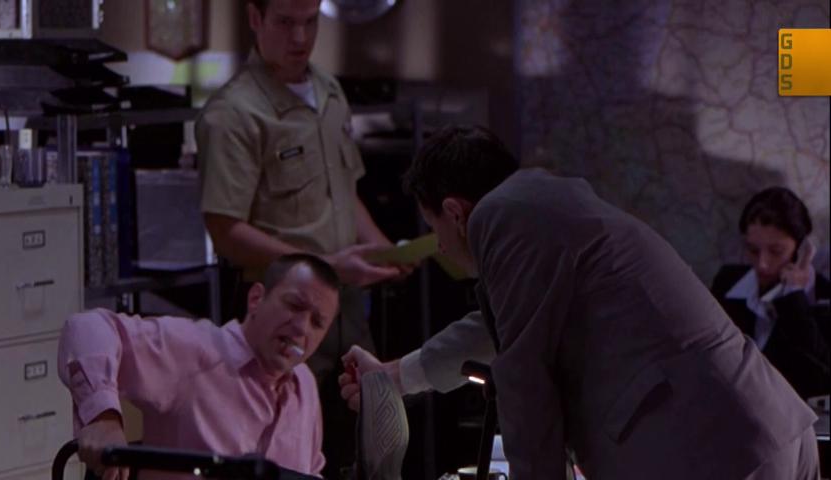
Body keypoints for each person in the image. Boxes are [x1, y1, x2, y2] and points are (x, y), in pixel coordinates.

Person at [339, 125, 821, 480]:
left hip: (714, 451)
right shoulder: (540, 206)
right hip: (761, 432)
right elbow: (493, 329)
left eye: (435, 229)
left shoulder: (499, 217)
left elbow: (525, 381)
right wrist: (395, 376)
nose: (441, 246)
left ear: (455, 212)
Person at [195, 0, 410, 475]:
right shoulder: (233, 112)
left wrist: (384, 249)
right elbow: (225, 231)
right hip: (281, 311)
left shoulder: (328, 91)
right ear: (255, 18)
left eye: (310, 22)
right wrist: (327, 265)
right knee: (281, 454)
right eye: (285, 23)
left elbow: (344, 193)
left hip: (345, 307)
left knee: (362, 448)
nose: (300, 38)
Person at [58, 254, 340, 480]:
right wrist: (103, 417)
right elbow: (87, 326)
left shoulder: (304, 383)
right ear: (256, 299)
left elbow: (310, 471)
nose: (302, 328)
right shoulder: (197, 351)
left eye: (317, 323)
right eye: (294, 306)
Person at [711, 187, 830, 398]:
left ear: (801, 249)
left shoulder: (823, 296)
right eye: (753, 250)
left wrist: (793, 296)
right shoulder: (728, 282)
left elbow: (822, 376)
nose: (762, 264)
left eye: (776, 252)